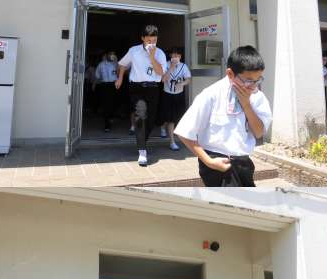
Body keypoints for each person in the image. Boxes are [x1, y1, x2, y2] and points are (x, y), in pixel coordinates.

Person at [174, 45, 272, 186]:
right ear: (230, 74)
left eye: (258, 80)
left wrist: (246, 105)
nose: (253, 86)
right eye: (248, 80)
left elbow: (258, 132)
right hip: (216, 162)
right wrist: (208, 161)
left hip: (243, 163)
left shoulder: (257, 97)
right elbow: (184, 133)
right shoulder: (212, 94)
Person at [116, 25, 167, 166]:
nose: (152, 43)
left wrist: (152, 57)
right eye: (149, 40)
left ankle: (141, 141)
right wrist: (120, 78)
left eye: (154, 40)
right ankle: (142, 151)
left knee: (151, 120)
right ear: (143, 38)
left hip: (153, 88)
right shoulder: (134, 50)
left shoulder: (160, 53)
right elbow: (123, 64)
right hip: (137, 88)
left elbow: (160, 72)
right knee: (140, 115)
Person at [160, 47, 192, 151]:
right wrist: (171, 67)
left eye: (177, 55)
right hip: (167, 94)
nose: (175, 57)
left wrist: (182, 83)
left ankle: (163, 127)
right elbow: (163, 79)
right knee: (170, 118)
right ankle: (172, 142)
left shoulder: (183, 66)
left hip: (178, 94)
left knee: (174, 117)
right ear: (170, 56)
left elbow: (188, 79)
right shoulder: (165, 64)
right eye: (173, 55)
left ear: (180, 56)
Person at [94, 51, 119, 132]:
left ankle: (111, 116)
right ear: (107, 55)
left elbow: (119, 74)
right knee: (105, 104)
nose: (112, 56)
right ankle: (107, 124)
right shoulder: (101, 64)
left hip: (114, 85)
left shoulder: (116, 64)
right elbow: (97, 75)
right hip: (104, 85)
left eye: (113, 54)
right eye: (110, 54)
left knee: (113, 103)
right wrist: (96, 83)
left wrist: (116, 62)